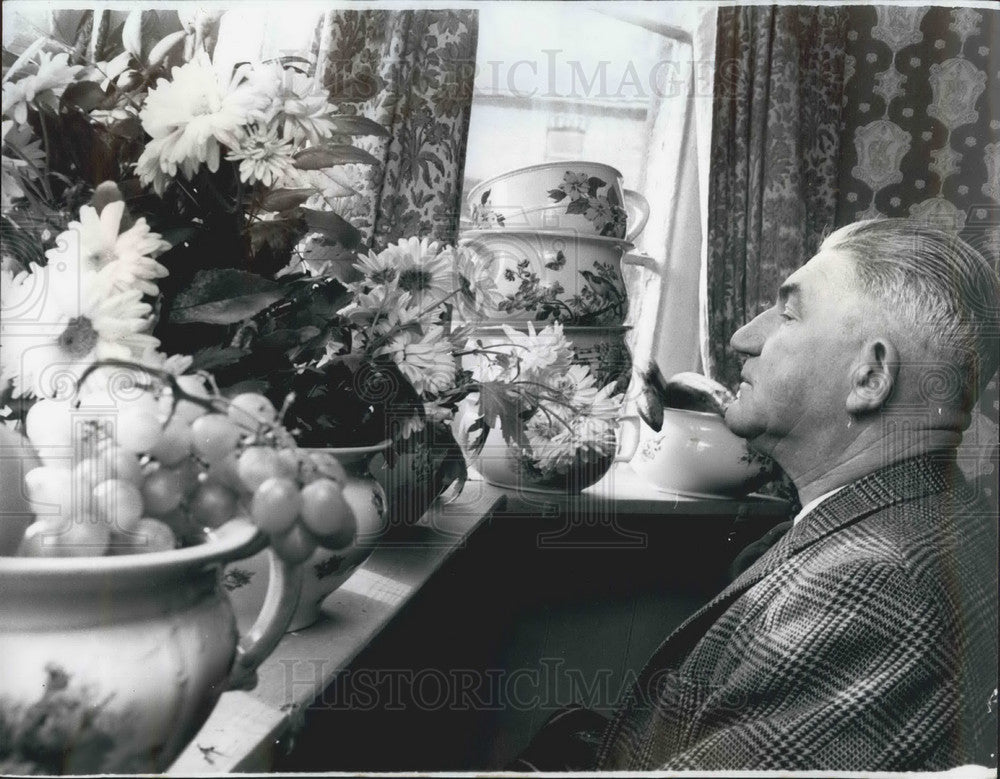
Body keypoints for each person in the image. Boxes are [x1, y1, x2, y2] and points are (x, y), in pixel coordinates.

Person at [515, 219, 999, 771]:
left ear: (870, 378)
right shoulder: (926, 523)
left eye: (787, 314)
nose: (743, 337)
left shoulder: (875, 589)